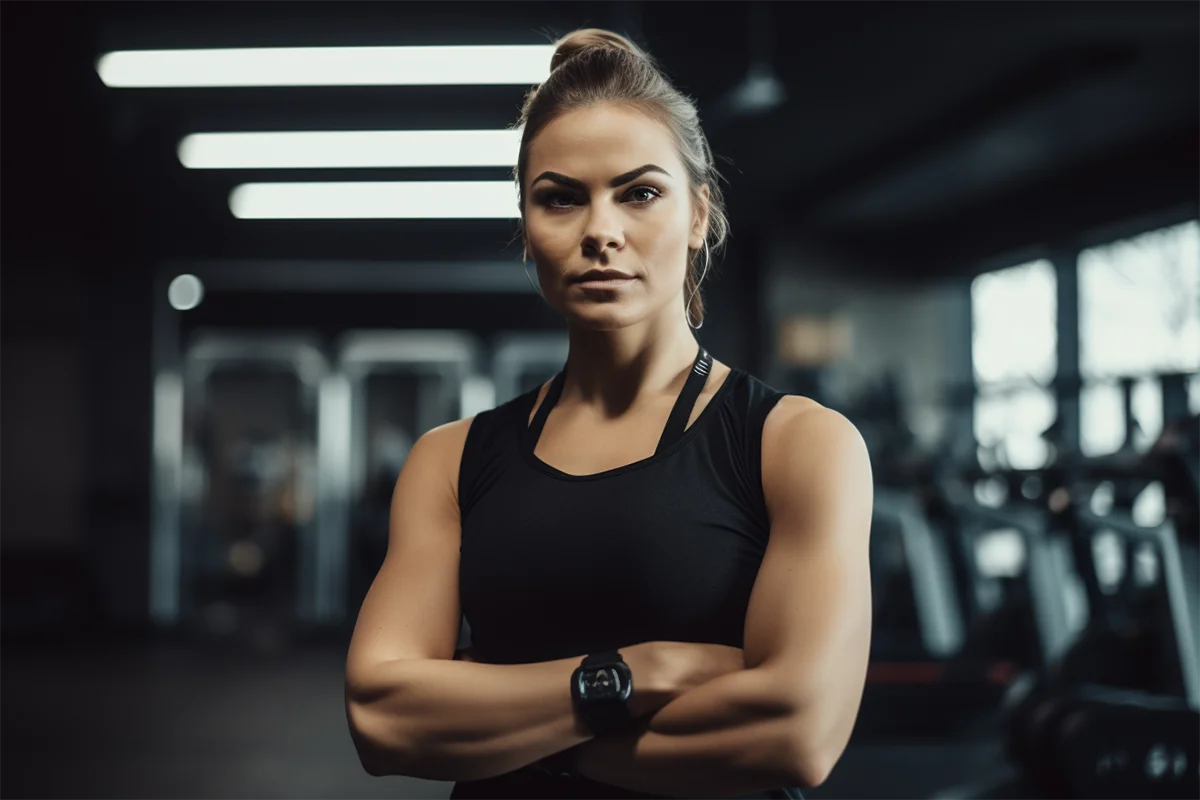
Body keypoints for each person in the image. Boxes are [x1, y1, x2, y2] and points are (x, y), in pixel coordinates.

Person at [345, 28, 874, 800]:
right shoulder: (450, 460)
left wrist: (515, 734)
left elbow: (797, 731)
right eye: (560, 198)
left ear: (698, 215)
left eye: (641, 192)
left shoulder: (799, 445)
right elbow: (382, 717)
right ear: (528, 227)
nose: (600, 230)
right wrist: (641, 673)